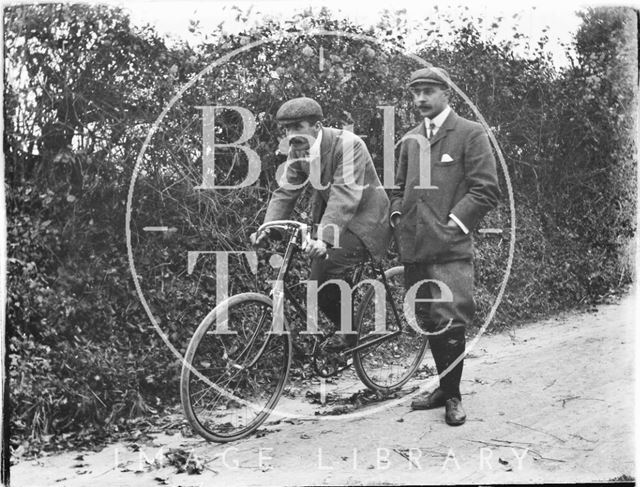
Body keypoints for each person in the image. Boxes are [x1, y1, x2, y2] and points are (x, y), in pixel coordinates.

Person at [390, 67, 500, 425]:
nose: (420, 98)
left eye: (428, 91)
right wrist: (395, 215)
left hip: (450, 247)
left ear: (447, 93)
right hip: (415, 246)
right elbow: (398, 186)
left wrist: (454, 223)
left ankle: (453, 396)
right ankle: (442, 387)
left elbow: (486, 189)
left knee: (450, 319)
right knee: (428, 318)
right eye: (415, 92)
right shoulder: (409, 139)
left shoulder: (470, 134)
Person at [252, 97, 391, 348]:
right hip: (338, 220)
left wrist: (324, 239)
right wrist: (268, 227)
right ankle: (348, 325)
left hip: (367, 221)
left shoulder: (349, 145)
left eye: (297, 127)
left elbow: (344, 196)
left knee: (321, 274)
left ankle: (351, 335)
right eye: (287, 129)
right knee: (319, 280)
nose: (291, 134)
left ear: (317, 126)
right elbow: (286, 191)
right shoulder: (298, 151)